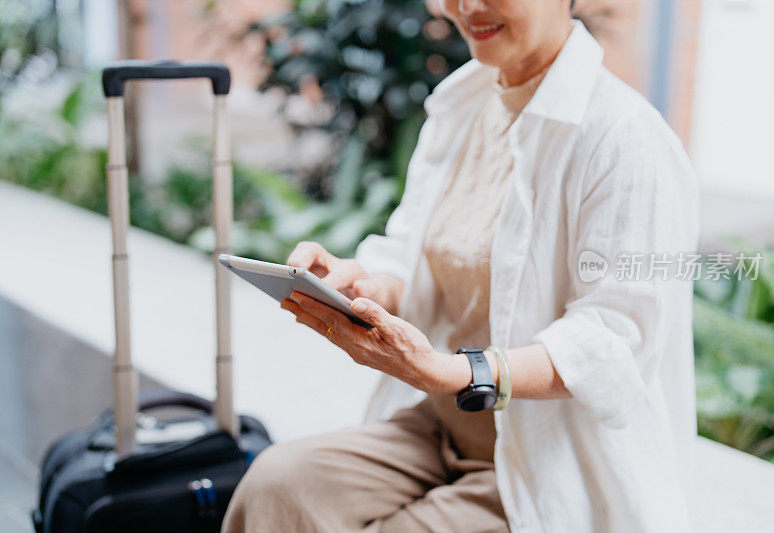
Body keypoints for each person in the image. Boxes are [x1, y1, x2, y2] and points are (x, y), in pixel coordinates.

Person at [222, 0, 699, 531]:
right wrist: (361, 286)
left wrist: (457, 372)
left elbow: (616, 338)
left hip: (554, 458)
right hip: (441, 427)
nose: (468, 6)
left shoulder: (626, 138)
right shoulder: (465, 103)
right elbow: (411, 253)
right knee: (275, 487)